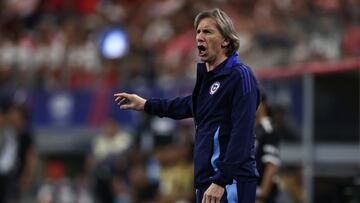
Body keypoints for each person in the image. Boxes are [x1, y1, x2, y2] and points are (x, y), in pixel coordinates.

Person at [114, 8, 260, 203]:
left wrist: (221, 180)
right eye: (198, 31)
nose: (200, 36)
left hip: (230, 182)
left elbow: (242, 134)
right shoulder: (208, 81)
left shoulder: (239, 75)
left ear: (226, 40)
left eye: (207, 31)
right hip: (206, 183)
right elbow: (186, 105)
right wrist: (147, 104)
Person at [255, 93, 280, 203]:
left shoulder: (268, 129)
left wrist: (262, 196)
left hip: (261, 195)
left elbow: (272, 165)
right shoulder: (253, 128)